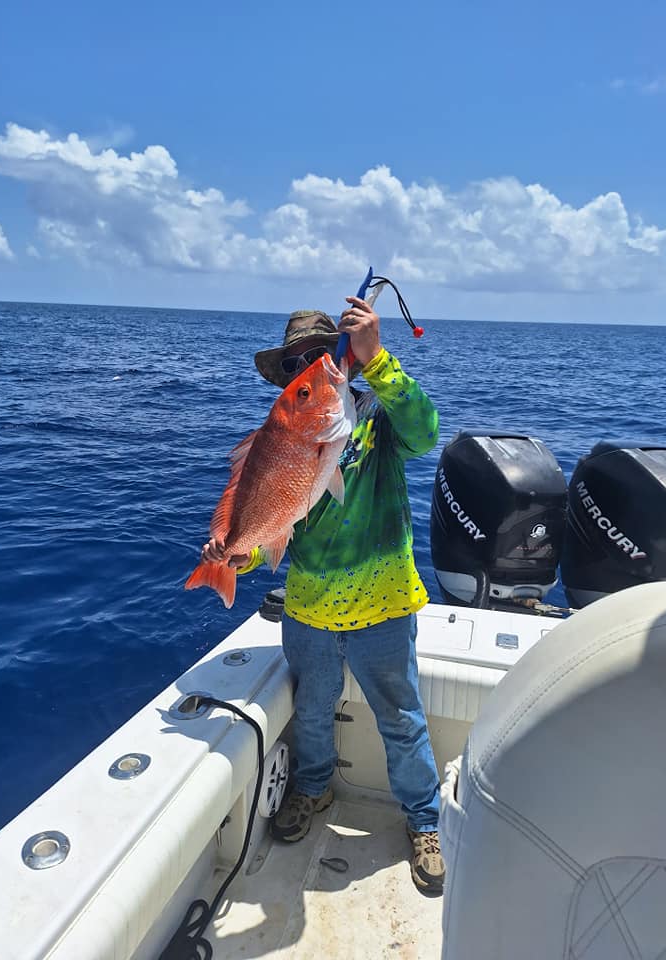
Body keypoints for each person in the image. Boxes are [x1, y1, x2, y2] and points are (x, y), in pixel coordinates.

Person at [203, 295, 445, 895]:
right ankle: (313, 788)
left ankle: (424, 822)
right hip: (309, 607)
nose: (312, 365)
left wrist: (380, 358)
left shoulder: (380, 421)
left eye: (321, 354)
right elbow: (274, 532)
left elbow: (427, 431)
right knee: (311, 712)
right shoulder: (277, 437)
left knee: (401, 718)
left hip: (383, 603)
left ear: (347, 360)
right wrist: (237, 552)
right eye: (298, 364)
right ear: (288, 378)